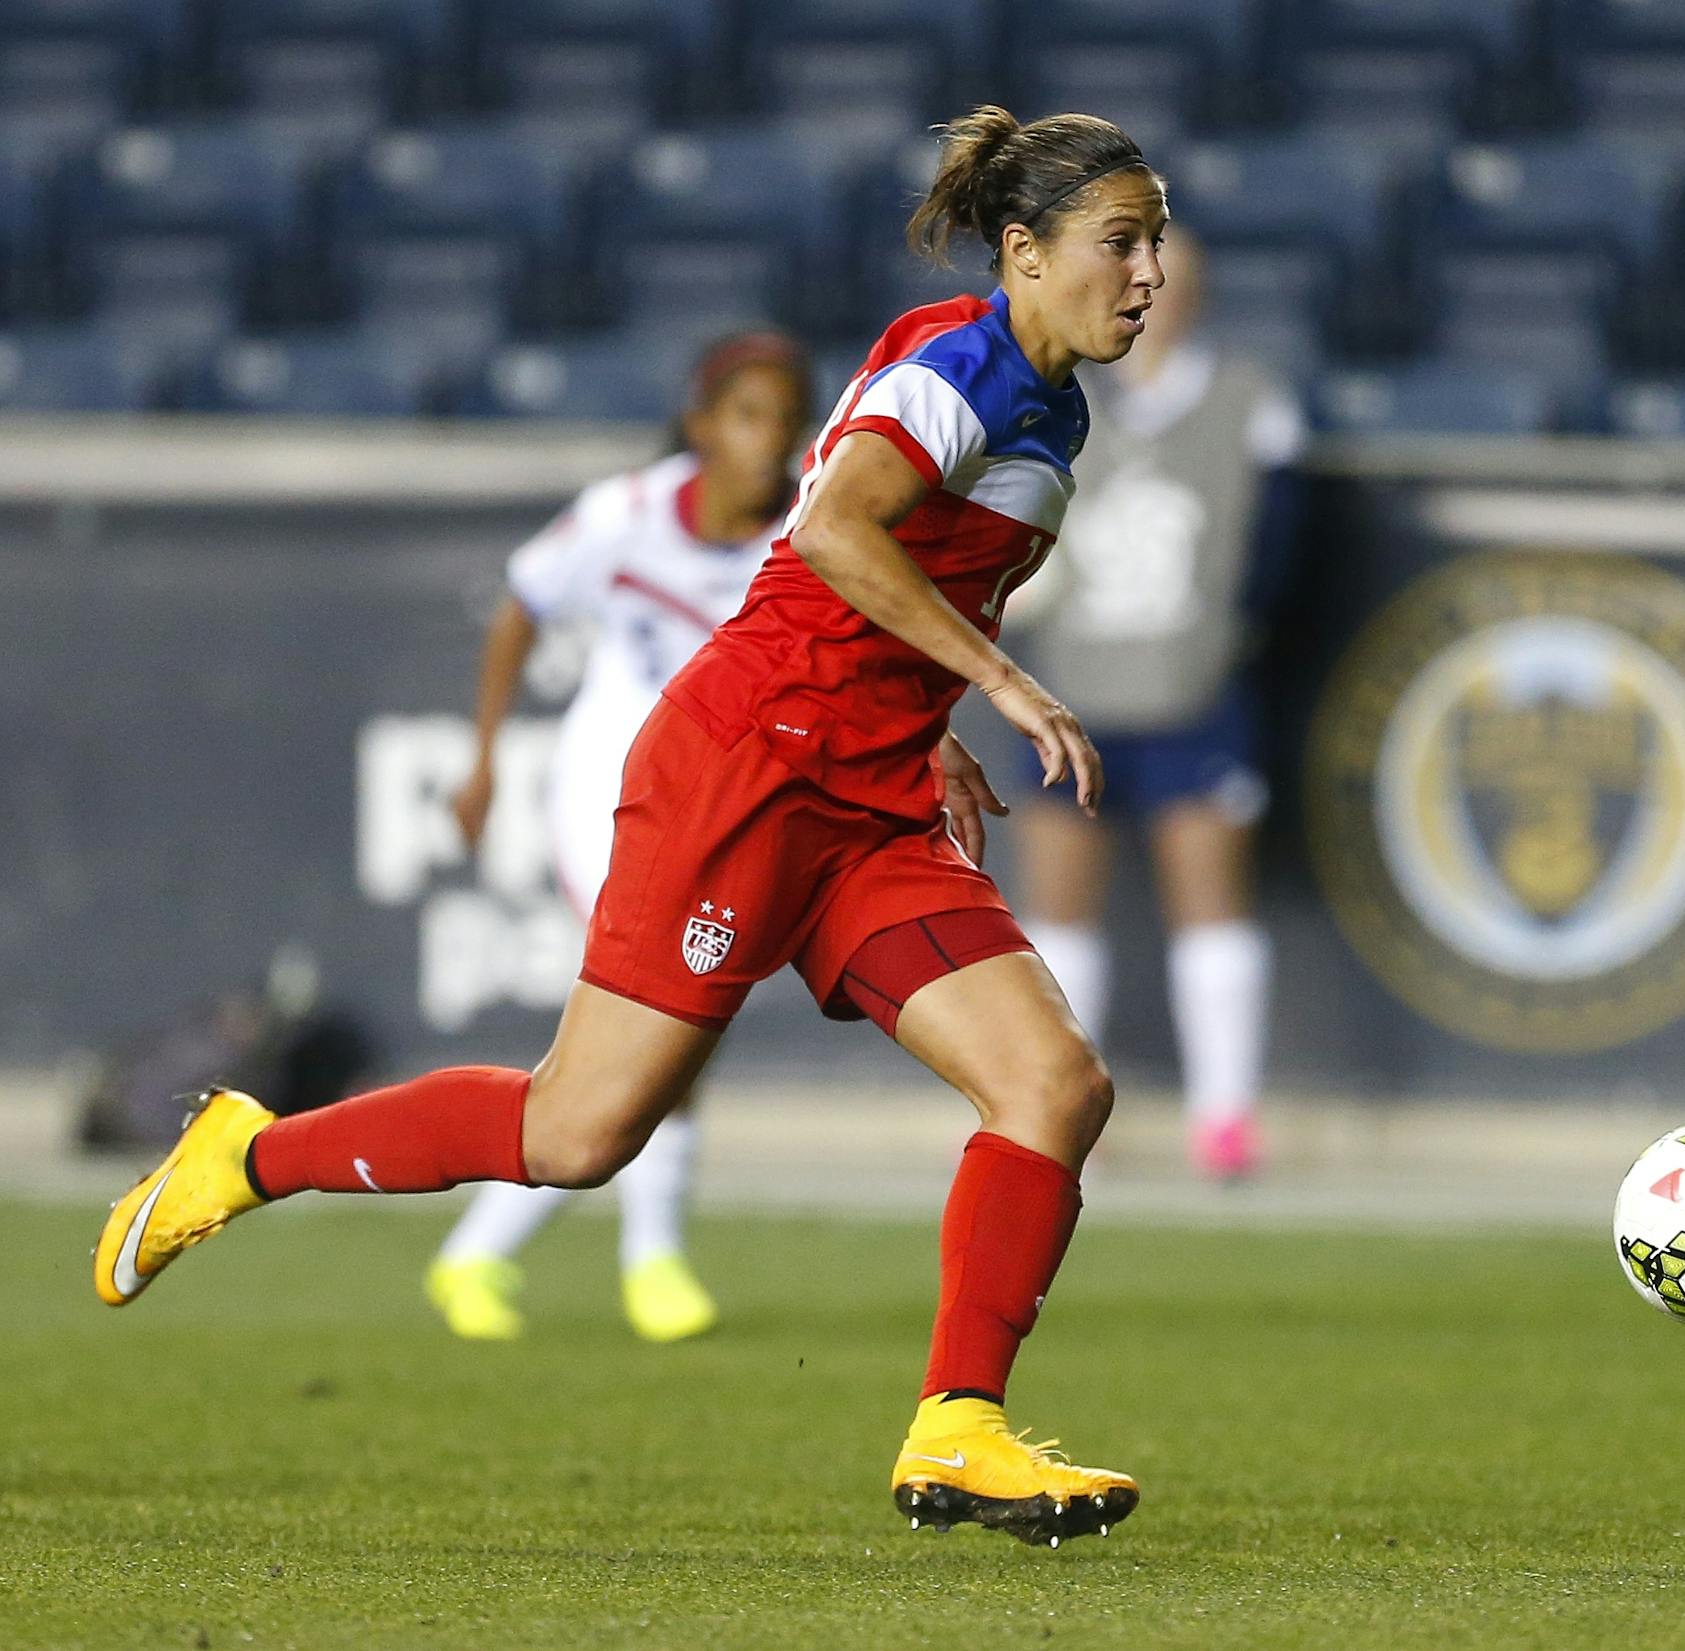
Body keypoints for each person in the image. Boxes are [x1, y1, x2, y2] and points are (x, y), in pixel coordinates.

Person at [94, 105, 1166, 1549]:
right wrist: (1003, 680)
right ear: (1026, 253)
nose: (1150, 271)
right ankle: (243, 1155)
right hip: (748, 768)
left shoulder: (1057, 403)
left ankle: (956, 1423)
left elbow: (920, 579)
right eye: (1121, 241)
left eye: (1154, 239)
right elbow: (834, 534)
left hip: (872, 792)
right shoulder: (959, 359)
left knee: (1054, 1083)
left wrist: (942, 721)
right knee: (577, 1131)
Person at [428, 332, 815, 1345]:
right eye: (746, 415)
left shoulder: (817, 525)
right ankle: (653, 1262)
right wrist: (484, 759)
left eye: (785, 417)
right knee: (669, 1026)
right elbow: (522, 604)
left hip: (723, 801)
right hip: (612, 791)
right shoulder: (628, 516)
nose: (767, 440)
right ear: (700, 425)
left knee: (653, 1048)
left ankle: (476, 1251)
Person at [1005, 226, 1305, 1182]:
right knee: (1059, 907)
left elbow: (1275, 555)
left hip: (1189, 689)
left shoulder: (1248, 402)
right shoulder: (1057, 397)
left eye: (1168, 274)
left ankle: (1225, 1118)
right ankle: (1056, 1101)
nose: (1151, 289)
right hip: (1074, 690)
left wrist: (1228, 641)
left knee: (1209, 899)